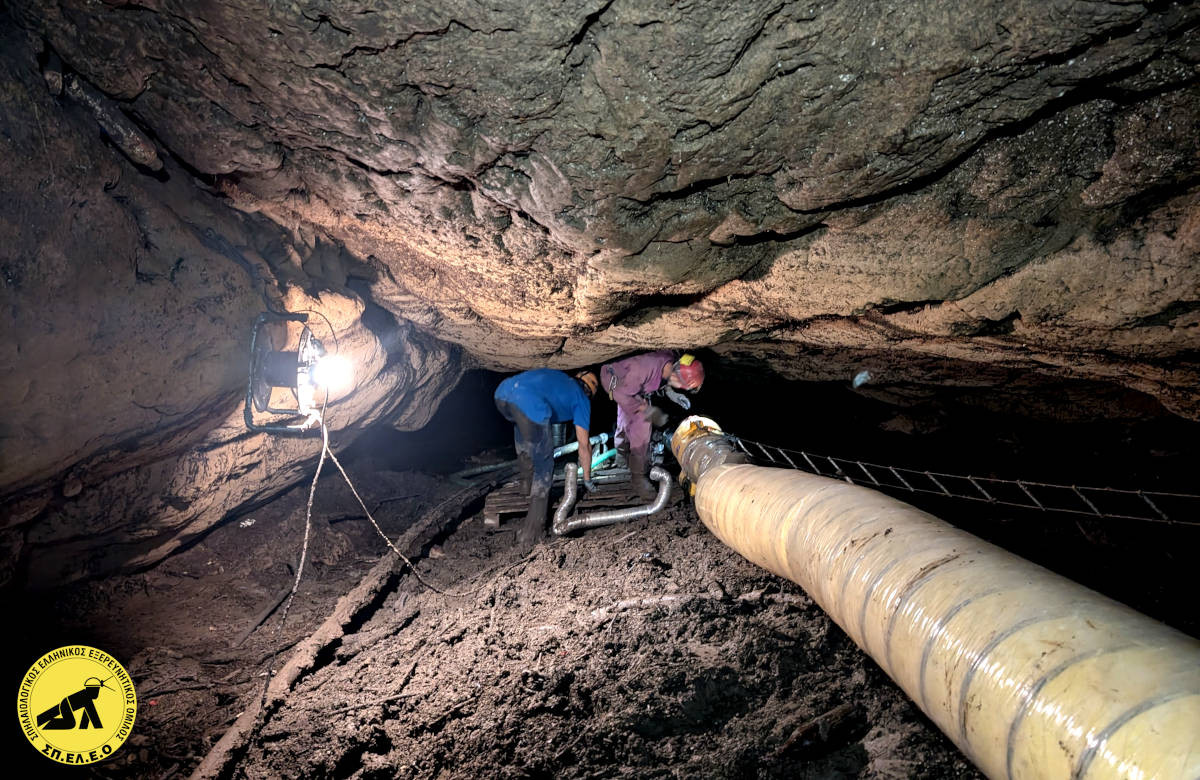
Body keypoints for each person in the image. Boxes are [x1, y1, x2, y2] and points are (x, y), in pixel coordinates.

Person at [494, 368, 599, 545]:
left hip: (501, 394)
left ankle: (525, 487)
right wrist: (587, 479)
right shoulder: (581, 398)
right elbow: (584, 445)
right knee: (544, 465)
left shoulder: (562, 381)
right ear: (589, 391)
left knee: (524, 436)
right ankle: (532, 532)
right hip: (528, 403)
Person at [600, 351, 705, 499]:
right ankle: (638, 479)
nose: (680, 389)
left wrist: (672, 394)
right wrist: (647, 410)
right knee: (642, 425)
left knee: (624, 420)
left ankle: (621, 454)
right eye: (681, 387)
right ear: (676, 376)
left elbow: (662, 380)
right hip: (614, 381)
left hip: (625, 381)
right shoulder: (641, 370)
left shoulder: (669, 362)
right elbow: (620, 393)